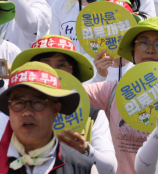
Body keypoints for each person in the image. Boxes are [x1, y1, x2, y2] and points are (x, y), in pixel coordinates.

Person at [83, 17, 158, 174]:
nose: (150, 50)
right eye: (143, 43)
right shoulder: (112, 90)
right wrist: (99, 76)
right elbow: (69, 95)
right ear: (133, 50)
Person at [10, 35, 117, 174]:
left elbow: (110, 169)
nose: (54, 71)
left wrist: (85, 150)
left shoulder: (93, 116)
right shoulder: (16, 113)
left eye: (61, 65)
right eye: (45, 65)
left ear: (73, 72)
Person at [0, 62, 97, 174]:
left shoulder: (82, 169)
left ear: (55, 109)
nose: (27, 112)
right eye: (18, 103)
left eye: (37, 102)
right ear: (9, 108)